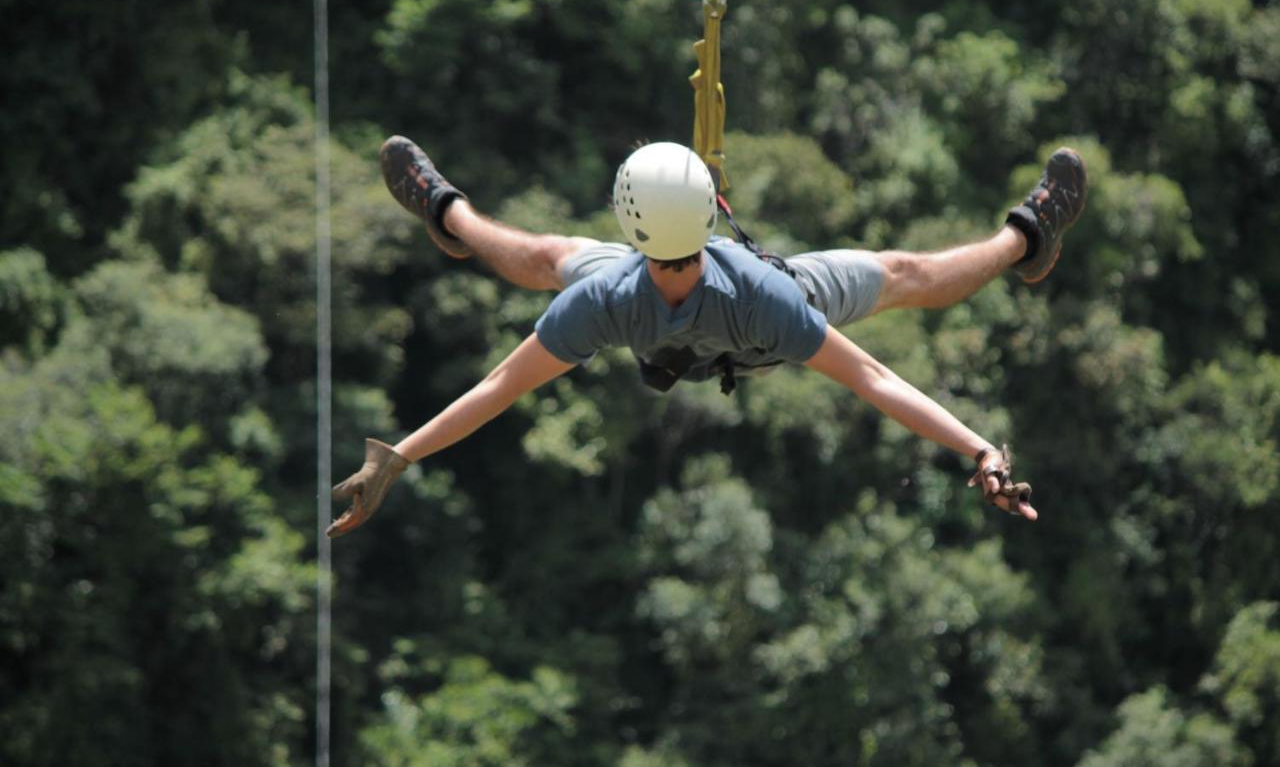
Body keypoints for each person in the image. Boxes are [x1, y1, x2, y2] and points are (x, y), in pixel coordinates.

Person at [327, 136, 1088, 537]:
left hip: (682, 319)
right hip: (758, 322)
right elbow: (873, 379)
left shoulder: (608, 296)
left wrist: (399, 456)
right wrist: (979, 446)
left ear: (631, 225)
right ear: (711, 214)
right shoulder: (763, 295)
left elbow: (499, 386)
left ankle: (449, 214)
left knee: (546, 255)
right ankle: (1025, 238)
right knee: (904, 273)